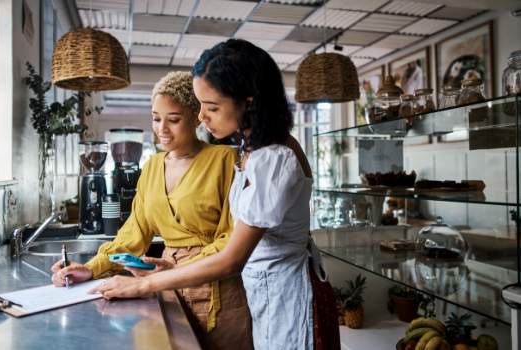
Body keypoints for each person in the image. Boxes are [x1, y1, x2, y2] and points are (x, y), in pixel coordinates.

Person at [82, 39, 341, 350]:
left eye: (212, 107)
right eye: (200, 105)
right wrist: (171, 268)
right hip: (266, 294)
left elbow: (232, 258)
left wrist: (147, 283)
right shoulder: (253, 150)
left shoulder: (275, 156)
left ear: (249, 102)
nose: (202, 117)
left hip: (290, 297)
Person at [51, 71, 253, 350]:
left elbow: (232, 237)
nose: (162, 129)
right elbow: (133, 234)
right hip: (165, 287)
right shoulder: (152, 167)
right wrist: (90, 267)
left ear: (197, 116)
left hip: (216, 285)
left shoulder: (225, 160)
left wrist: (180, 268)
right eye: (157, 118)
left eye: (173, 119)